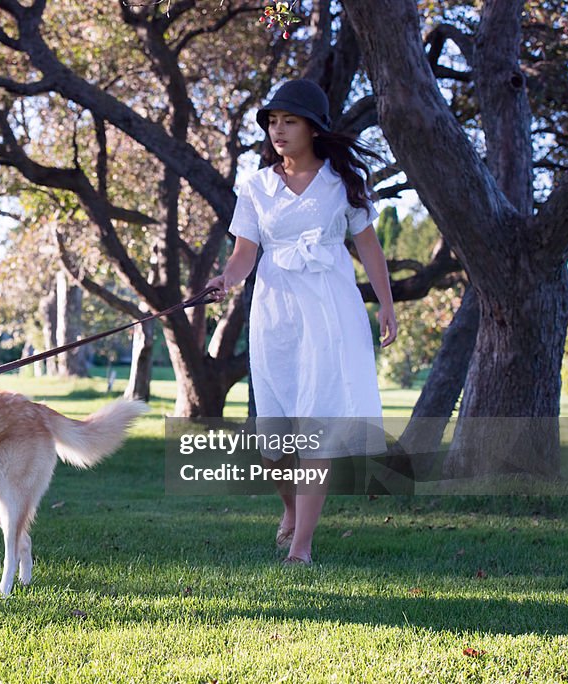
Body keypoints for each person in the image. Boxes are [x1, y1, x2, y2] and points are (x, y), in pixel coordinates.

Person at [204, 79, 398, 565]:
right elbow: (244, 254)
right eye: (272, 121)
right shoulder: (256, 186)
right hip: (276, 315)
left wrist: (387, 304)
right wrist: (224, 281)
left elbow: (369, 248)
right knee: (274, 438)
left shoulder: (343, 184)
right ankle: (289, 510)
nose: (278, 130)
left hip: (332, 313)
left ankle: (302, 545)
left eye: (288, 120)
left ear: (313, 127)